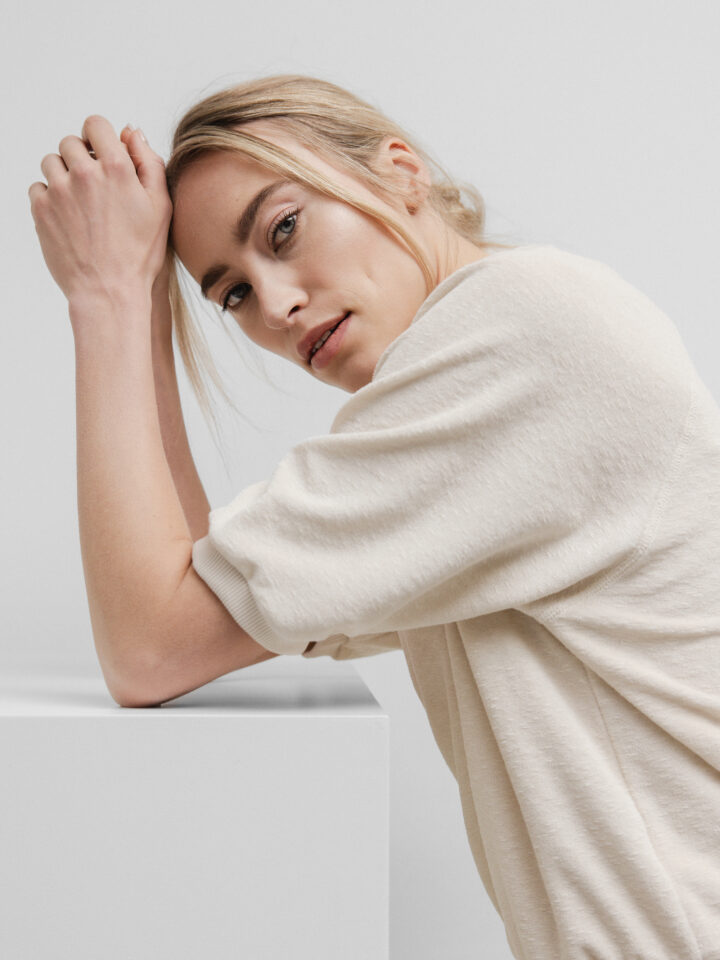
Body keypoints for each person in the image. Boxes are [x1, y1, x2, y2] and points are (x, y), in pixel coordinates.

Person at [28, 74, 720, 960]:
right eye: (231, 294)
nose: (275, 306)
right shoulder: (487, 404)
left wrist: (106, 298)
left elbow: (151, 643)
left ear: (401, 172)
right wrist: (140, 296)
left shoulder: (522, 334)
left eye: (283, 229)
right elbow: (193, 595)